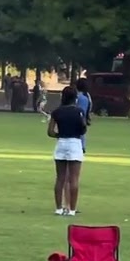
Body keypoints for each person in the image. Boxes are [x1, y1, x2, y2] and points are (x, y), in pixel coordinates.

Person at [49, 85, 87, 216]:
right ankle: (72, 209)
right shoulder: (79, 111)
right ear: (75, 98)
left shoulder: (57, 112)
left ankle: (59, 208)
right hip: (75, 143)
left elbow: (50, 132)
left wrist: (59, 135)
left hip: (61, 143)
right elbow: (83, 129)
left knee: (60, 178)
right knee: (74, 179)